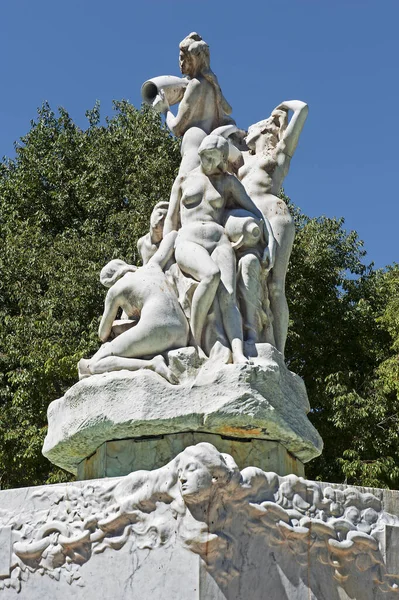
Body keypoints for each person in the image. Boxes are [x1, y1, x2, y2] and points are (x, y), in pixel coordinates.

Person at [163, 133, 270, 363]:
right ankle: (196, 340)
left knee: (228, 296)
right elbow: (171, 222)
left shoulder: (228, 182)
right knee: (210, 275)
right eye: (209, 158)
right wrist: (162, 257)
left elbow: (256, 213)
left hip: (219, 241)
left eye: (219, 160)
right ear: (201, 154)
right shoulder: (183, 180)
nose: (215, 165)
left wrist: (267, 244)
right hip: (188, 240)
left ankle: (238, 352)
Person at [236, 100, 309, 356]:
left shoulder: (278, 155)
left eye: (270, 132)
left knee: (275, 285)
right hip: (246, 218)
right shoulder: (243, 160)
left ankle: (279, 350)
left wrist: (284, 108)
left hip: (273, 213)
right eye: (265, 131)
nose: (269, 134)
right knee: (243, 276)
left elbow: (303, 109)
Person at [78, 231, 189, 383]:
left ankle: (152, 365)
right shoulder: (152, 265)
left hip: (157, 330)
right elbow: (173, 236)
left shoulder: (115, 290)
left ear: (112, 280)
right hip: (183, 332)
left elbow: (103, 334)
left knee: (96, 364)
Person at [154, 32, 236, 175]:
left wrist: (165, 109)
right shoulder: (211, 83)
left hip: (195, 143)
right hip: (213, 146)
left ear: (193, 60)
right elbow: (228, 110)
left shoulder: (195, 86)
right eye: (180, 58)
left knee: (182, 190)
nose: (181, 63)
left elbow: (176, 127)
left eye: (184, 59)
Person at [137, 200, 169, 265]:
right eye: (159, 214)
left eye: (164, 219)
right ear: (152, 215)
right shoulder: (141, 243)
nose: (160, 219)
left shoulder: (166, 245)